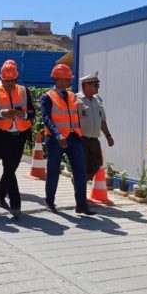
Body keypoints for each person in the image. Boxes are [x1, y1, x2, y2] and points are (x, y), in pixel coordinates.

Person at [41, 64, 95, 215]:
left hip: (73, 138)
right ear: (57, 79)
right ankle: (49, 201)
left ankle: (81, 205)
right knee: (53, 171)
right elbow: (46, 118)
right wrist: (58, 135)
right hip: (56, 139)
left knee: (80, 171)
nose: (69, 82)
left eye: (69, 79)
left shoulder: (72, 96)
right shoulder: (47, 97)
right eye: (66, 79)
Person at [0, 60, 35, 220]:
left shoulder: (24, 90)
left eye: (13, 80)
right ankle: (15, 204)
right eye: (7, 81)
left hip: (19, 135)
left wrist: (24, 114)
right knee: (8, 167)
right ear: (2, 79)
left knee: (12, 168)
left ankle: (0, 195)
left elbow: (32, 112)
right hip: (1, 135)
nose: (10, 84)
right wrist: (2, 114)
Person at [77, 71, 114, 184]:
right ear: (86, 85)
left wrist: (108, 136)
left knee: (96, 165)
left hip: (94, 141)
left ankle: (79, 181)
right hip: (81, 140)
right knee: (82, 167)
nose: (98, 87)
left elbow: (102, 120)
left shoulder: (97, 100)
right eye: (96, 85)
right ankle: (80, 186)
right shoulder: (76, 100)